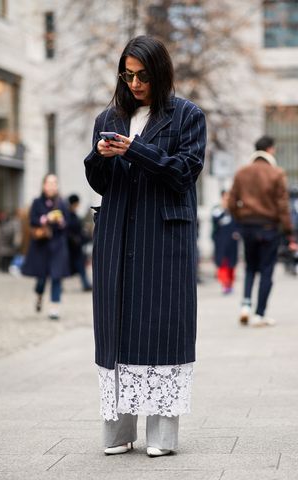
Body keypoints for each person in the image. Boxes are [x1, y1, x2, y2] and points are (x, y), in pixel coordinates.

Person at [84, 35, 206, 457]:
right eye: (127, 75)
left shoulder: (187, 115)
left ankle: (162, 436)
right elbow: (99, 181)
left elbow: (184, 173)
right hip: (116, 236)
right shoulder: (109, 116)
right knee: (115, 331)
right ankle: (118, 433)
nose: (134, 84)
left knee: (161, 330)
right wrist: (100, 155)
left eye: (142, 76)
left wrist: (136, 150)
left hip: (162, 238)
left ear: (159, 73)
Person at [228, 135, 297, 327]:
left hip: (248, 227)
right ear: (270, 150)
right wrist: (289, 231)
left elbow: (231, 202)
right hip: (269, 227)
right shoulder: (276, 173)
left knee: (250, 268)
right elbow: (283, 206)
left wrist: (240, 218)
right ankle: (260, 314)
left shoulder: (242, 172)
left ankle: (245, 305)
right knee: (267, 270)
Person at [22, 174, 70, 320]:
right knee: (42, 278)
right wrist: (45, 219)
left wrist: (61, 221)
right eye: (49, 182)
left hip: (57, 245)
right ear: (44, 185)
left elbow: (68, 224)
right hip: (42, 245)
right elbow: (32, 221)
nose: (52, 185)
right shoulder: (37, 202)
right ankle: (39, 295)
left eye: (54, 182)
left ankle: (54, 307)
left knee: (56, 276)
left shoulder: (62, 203)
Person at [211, 190, 239, 294]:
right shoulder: (217, 210)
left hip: (232, 241)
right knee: (222, 262)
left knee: (232, 263)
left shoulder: (234, 211)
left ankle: (230, 283)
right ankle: (225, 283)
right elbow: (214, 225)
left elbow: (238, 224)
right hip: (221, 240)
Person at [66, 194, 92, 291]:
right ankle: (57, 285)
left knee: (80, 266)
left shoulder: (73, 215)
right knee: (67, 266)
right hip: (71, 247)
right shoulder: (68, 215)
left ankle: (85, 284)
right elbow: (68, 230)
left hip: (76, 246)